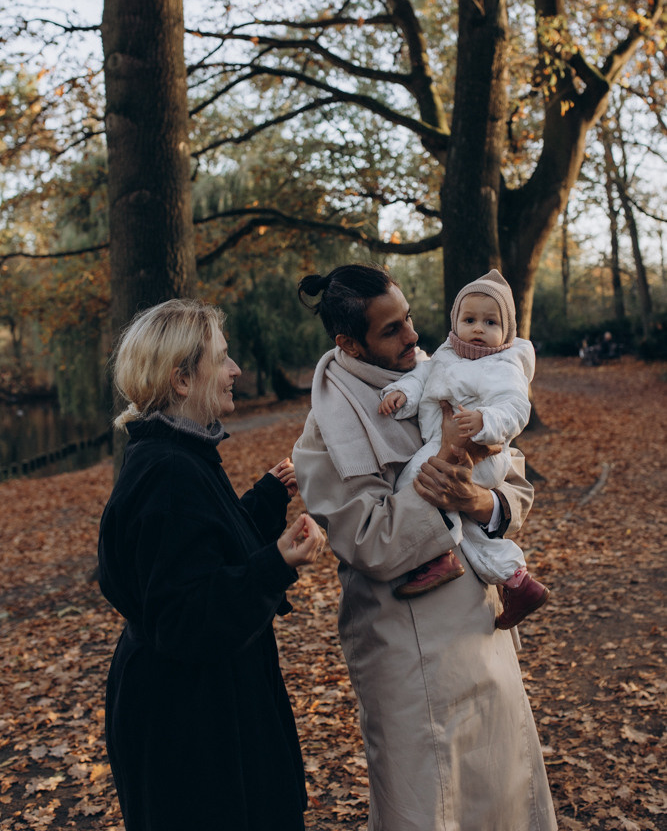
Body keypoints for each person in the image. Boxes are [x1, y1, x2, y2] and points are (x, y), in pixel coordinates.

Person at [292, 264, 557, 831]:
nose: (413, 336)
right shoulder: (324, 433)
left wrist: (480, 503)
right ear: (349, 342)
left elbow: (514, 483)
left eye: (408, 318)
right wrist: (437, 485)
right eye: (391, 330)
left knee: (501, 791)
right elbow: (367, 541)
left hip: (480, 630)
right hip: (405, 650)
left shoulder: (445, 370)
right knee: (426, 808)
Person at [97, 299, 325, 831]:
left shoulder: (176, 453)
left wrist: (266, 500)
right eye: (222, 359)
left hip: (200, 707)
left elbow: (198, 548)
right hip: (192, 726)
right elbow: (184, 617)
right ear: (182, 379)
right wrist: (275, 565)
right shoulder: (169, 471)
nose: (236, 371)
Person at [377, 269, 549, 627]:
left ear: (507, 331)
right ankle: (517, 580)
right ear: (455, 322)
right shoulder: (445, 354)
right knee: (469, 526)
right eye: (469, 319)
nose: (478, 329)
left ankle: (438, 552)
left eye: (490, 322)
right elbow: (420, 377)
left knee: (416, 479)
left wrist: (485, 421)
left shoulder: (504, 365)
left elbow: (516, 407)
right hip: (446, 443)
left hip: (479, 452)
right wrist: (402, 395)